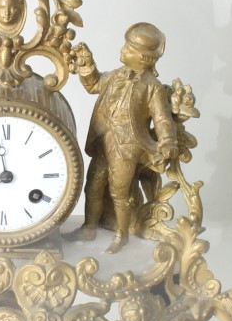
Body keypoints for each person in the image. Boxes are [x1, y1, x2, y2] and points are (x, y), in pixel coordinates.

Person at [70, 23, 178, 253]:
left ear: (143, 58)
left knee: (120, 193)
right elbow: (94, 84)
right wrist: (86, 65)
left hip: (126, 148)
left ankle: (122, 235)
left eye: (128, 49)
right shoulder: (115, 76)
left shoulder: (152, 87)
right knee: (93, 187)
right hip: (103, 142)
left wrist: (168, 141)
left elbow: (162, 119)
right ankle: (89, 227)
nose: (122, 50)